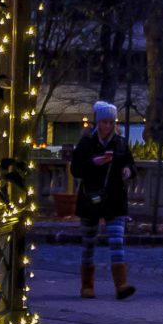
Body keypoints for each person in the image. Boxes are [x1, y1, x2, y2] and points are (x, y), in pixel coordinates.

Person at [68, 102, 137, 300]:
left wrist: (128, 170)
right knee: (89, 243)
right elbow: (76, 169)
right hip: (91, 198)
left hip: (114, 199)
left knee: (117, 241)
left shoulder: (120, 143)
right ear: (98, 122)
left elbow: (131, 165)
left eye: (111, 122)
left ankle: (121, 285)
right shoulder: (86, 143)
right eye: (105, 122)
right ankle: (87, 285)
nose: (108, 126)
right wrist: (93, 162)